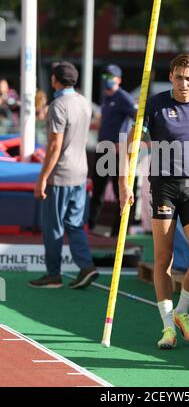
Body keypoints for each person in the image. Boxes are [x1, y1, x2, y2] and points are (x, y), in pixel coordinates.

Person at [119, 53, 189, 349]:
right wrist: (124, 184)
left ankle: (182, 312)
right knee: (163, 258)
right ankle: (168, 327)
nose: (183, 83)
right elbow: (131, 147)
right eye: (178, 77)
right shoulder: (153, 104)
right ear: (171, 77)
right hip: (163, 186)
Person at [29, 61, 98, 289]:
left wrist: (42, 178)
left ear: (55, 80)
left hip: (61, 174)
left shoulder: (58, 105)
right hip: (80, 171)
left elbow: (54, 146)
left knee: (53, 227)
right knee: (75, 224)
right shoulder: (83, 103)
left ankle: (53, 274)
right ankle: (86, 266)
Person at [88, 64, 137, 236]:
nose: (108, 80)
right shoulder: (106, 97)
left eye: (111, 77)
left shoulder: (123, 97)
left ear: (119, 79)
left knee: (120, 191)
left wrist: (125, 142)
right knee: (97, 189)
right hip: (103, 148)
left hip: (117, 150)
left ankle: (119, 231)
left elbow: (138, 118)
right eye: (106, 76)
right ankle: (91, 225)